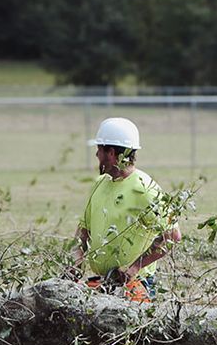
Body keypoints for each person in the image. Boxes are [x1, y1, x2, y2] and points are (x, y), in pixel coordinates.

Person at [72, 116, 181, 302]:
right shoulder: (99, 184)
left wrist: (135, 267)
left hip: (135, 287)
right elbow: (83, 231)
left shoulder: (146, 189)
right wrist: (75, 262)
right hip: (102, 283)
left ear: (112, 153)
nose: (96, 155)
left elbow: (172, 237)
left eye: (99, 149)